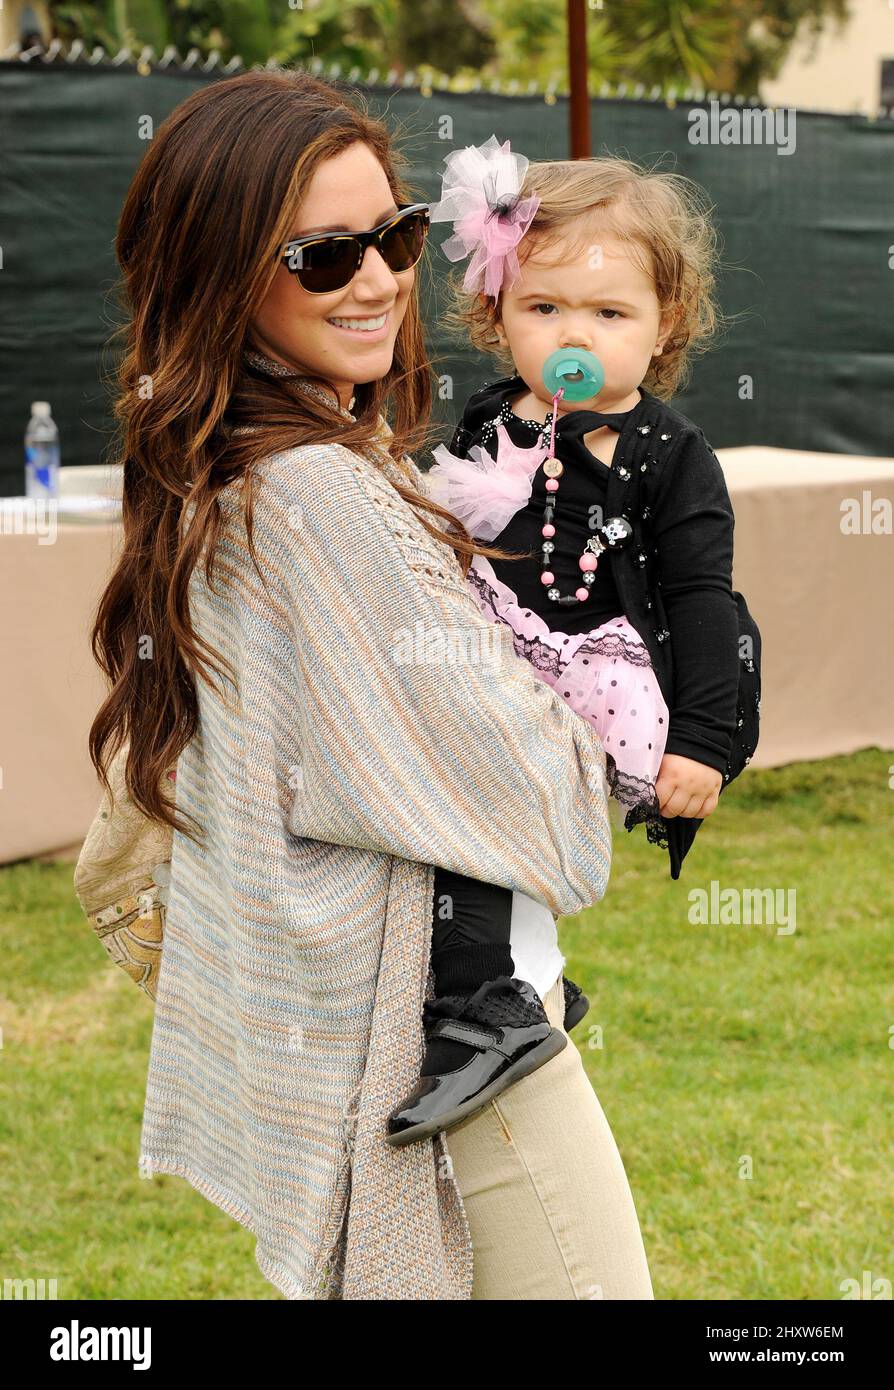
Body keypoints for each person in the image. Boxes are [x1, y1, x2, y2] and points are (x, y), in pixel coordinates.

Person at [84, 72, 654, 1299]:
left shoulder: (232, 475)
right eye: (323, 256)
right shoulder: (322, 499)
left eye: (394, 235)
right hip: (466, 1069)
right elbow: (550, 812)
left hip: (411, 1053)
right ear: (222, 276)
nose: (380, 280)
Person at [385, 136, 761, 1147]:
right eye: (544, 308)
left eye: (608, 313)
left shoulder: (671, 455)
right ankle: (518, 978)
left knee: (485, 812)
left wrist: (707, 743)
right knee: (442, 812)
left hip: (602, 675)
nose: (572, 335)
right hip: (494, 657)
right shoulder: (488, 420)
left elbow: (706, 598)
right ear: (498, 311)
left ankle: (490, 1008)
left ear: (662, 324)